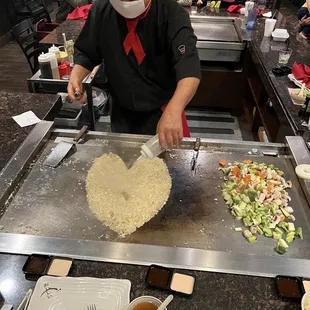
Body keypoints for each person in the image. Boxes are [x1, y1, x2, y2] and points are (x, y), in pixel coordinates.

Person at [67, 0, 201, 149]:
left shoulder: (171, 12)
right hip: (121, 111)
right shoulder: (101, 9)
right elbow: (87, 51)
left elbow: (189, 68)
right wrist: (77, 75)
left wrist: (174, 109)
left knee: (166, 166)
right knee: (125, 160)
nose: (126, 3)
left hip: (161, 111)